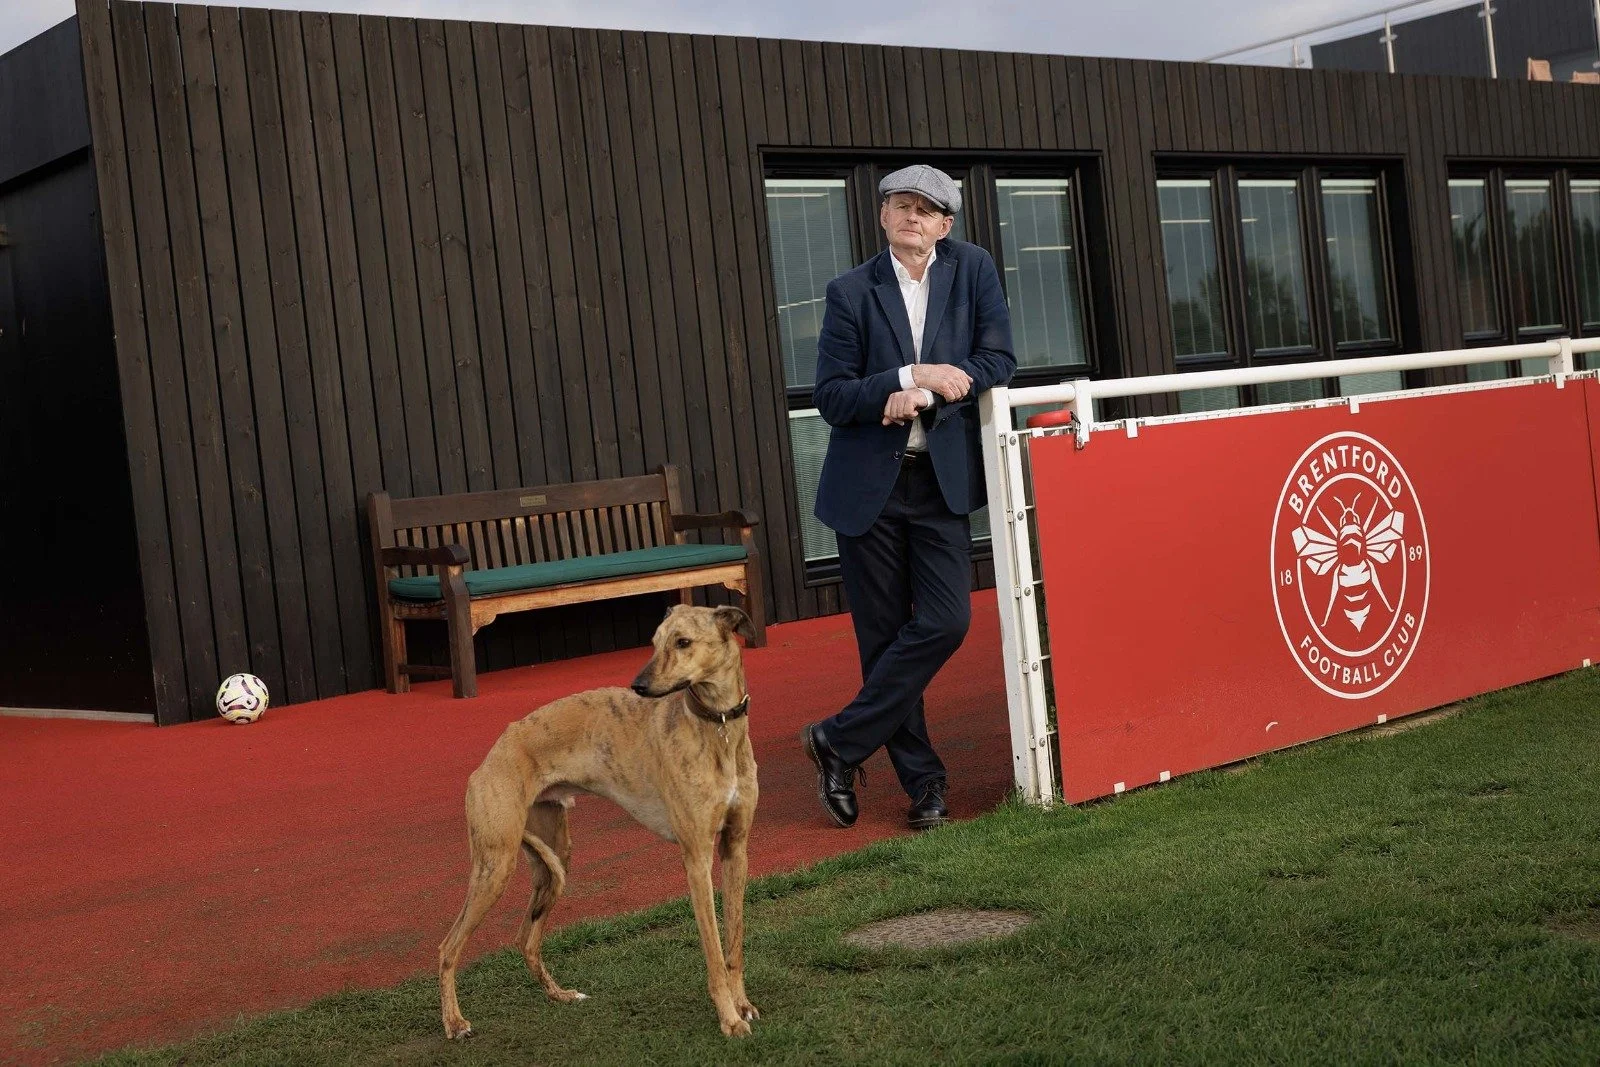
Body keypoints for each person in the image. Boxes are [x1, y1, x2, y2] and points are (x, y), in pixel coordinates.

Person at [800, 164, 1016, 831]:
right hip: (867, 490)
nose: (911, 217)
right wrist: (902, 377)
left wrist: (940, 387)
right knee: (884, 641)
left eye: (925, 209)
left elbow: (998, 359)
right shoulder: (849, 291)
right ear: (883, 216)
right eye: (900, 205)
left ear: (945, 224)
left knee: (947, 621)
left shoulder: (972, 270)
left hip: (939, 482)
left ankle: (839, 740)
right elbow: (832, 396)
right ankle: (925, 785)